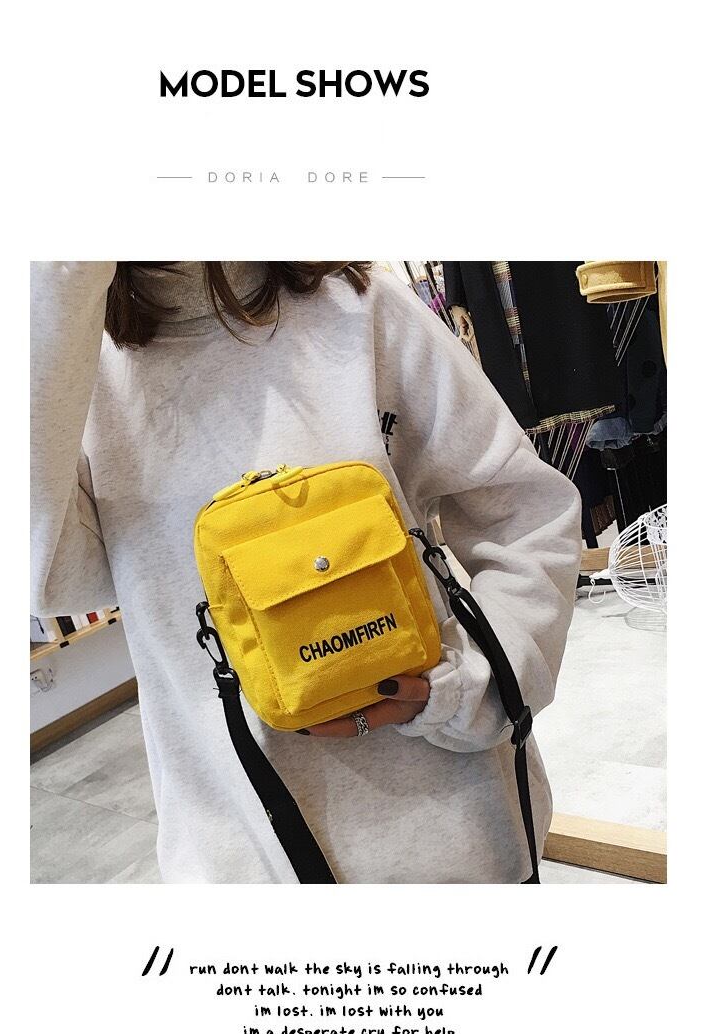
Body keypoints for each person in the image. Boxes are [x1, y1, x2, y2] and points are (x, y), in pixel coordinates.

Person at [30, 261, 582, 883]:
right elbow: (48, 581)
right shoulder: (69, 367)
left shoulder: (359, 310)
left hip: (457, 840)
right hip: (240, 855)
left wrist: (474, 686)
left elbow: (524, 511)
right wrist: (57, 285)